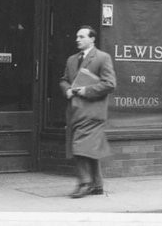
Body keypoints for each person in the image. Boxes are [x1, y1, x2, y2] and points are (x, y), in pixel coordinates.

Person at [60, 25, 116, 198]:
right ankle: (97, 185)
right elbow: (63, 80)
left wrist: (86, 90)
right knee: (89, 148)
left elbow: (110, 84)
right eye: (77, 36)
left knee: (80, 147)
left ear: (92, 39)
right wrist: (67, 89)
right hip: (75, 112)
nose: (77, 39)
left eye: (82, 36)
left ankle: (85, 183)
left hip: (92, 112)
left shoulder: (102, 57)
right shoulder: (71, 59)